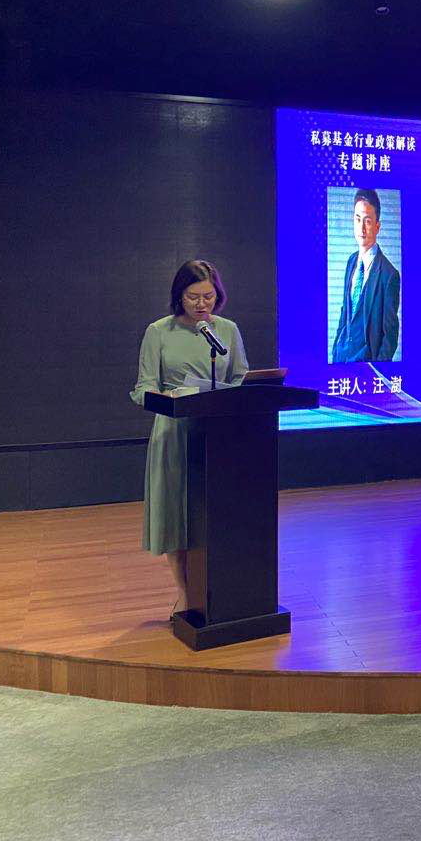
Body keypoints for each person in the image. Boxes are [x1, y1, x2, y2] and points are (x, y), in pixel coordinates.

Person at [130, 260, 248, 611]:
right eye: (193, 297)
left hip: (218, 434)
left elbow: (240, 378)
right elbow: (143, 388)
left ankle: (219, 589)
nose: (201, 304)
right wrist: (164, 397)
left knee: (215, 513)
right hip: (175, 432)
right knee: (177, 515)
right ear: (179, 296)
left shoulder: (227, 331)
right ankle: (185, 594)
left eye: (208, 296)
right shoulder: (159, 332)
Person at [331, 187, 402, 363]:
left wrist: (377, 370)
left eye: (368, 221)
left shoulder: (389, 275)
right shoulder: (351, 261)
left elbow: (390, 335)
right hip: (341, 359)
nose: (361, 228)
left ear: (377, 226)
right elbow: (346, 311)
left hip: (366, 367)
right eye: (357, 219)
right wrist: (335, 349)